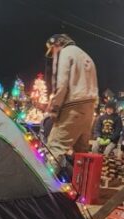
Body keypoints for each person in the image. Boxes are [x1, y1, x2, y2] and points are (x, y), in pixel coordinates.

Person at [44, 34, 99, 170]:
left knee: (54, 148)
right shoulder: (87, 57)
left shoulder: (65, 54)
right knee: (81, 154)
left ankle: (47, 188)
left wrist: (54, 109)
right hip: (89, 109)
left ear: (57, 44)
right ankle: (81, 187)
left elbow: (61, 85)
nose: (54, 54)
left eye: (53, 50)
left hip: (73, 107)